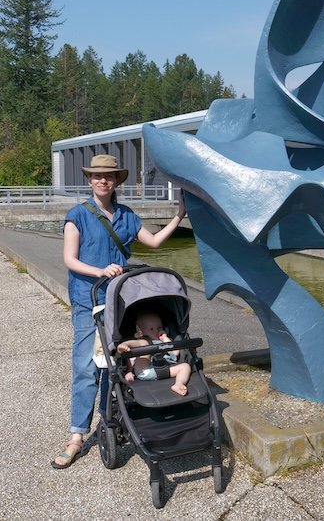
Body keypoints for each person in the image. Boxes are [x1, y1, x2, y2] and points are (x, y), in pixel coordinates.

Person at [51, 154, 186, 470]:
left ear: (116, 182)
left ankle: (108, 419)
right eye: (97, 176)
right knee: (86, 365)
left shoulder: (126, 215)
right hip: (89, 300)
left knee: (112, 364)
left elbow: (152, 242)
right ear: (89, 180)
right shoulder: (77, 216)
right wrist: (100, 270)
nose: (102, 181)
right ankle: (76, 437)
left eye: (109, 176)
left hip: (120, 303)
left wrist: (179, 216)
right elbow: (70, 259)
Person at [117, 312, 193, 396]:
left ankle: (178, 384)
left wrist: (165, 338)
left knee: (185, 367)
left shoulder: (164, 340)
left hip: (165, 368)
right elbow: (131, 354)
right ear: (140, 333)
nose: (156, 331)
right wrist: (129, 371)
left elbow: (175, 352)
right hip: (145, 370)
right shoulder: (143, 341)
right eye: (151, 329)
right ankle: (124, 347)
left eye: (159, 327)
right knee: (142, 347)